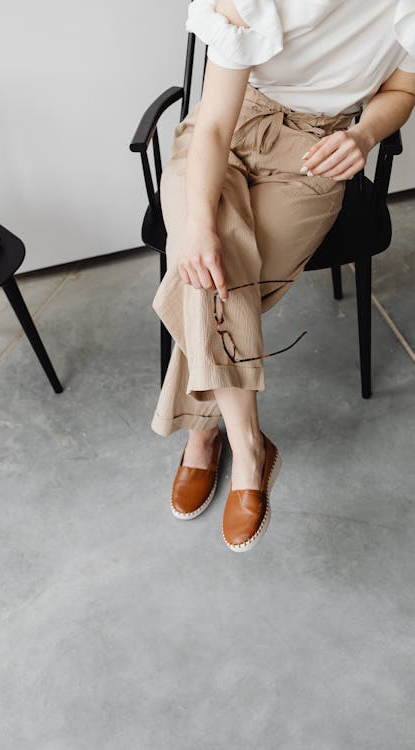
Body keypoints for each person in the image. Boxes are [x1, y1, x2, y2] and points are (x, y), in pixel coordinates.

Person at [151, 0, 415, 552]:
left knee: (216, 277)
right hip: (225, 131)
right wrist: (198, 224)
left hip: (315, 150)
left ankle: (202, 434)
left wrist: (364, 135)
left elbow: (403, 91)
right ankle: (246, 446)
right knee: (208, 257)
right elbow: (217, 122)